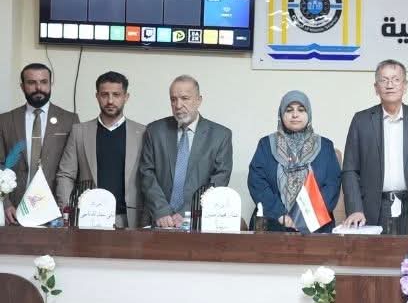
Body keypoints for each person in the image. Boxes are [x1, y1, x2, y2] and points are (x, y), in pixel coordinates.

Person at [341, 60, 408, 232]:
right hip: (373, 209)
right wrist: (355, 209)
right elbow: (350, 170)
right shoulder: (361, 121)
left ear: (405, 86)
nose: (390, 85)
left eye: (396, 80)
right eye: (384, 80)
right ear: (376, 87)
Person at [139, 75, 232, 228]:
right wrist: (162, 210)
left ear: (199, 100)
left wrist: (187, 212)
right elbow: (146, 173)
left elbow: (219, 180)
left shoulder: (220, 135)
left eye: (185, 98)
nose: (178, 105)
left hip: (198, 220)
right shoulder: (155, 130)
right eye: (173, 99)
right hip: (158, 220)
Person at [55, 72, 145, 228]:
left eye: (116, 95)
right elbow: (65, 175)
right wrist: (68, 211)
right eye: (105, 95)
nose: (110, 101)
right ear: (97, 96)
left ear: (126, 97)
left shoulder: (142, 133)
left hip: (130, 220)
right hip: (88, 219)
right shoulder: (79, 132)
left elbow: (149, 178)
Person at [248, 91, 341, 233]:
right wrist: (280, 215)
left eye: (301, 110)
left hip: (315, 225)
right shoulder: (266, 144)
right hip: (273, 223)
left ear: (309, 114)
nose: (295, 115)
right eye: (289, 110)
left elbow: (332, 185)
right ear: (281, 114)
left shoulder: (325, 146)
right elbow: (257, 182)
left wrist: (305, 218)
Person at [0, 63, 79, 225]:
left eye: (44, 82)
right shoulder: (5, 120)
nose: (38, 88)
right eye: (31, 83)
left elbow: (74, 168)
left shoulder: (70, 120)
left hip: (55, 210)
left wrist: (66, 207)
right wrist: (5, 203)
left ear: (51, 83)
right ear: (22, 86)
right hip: (14, 210)